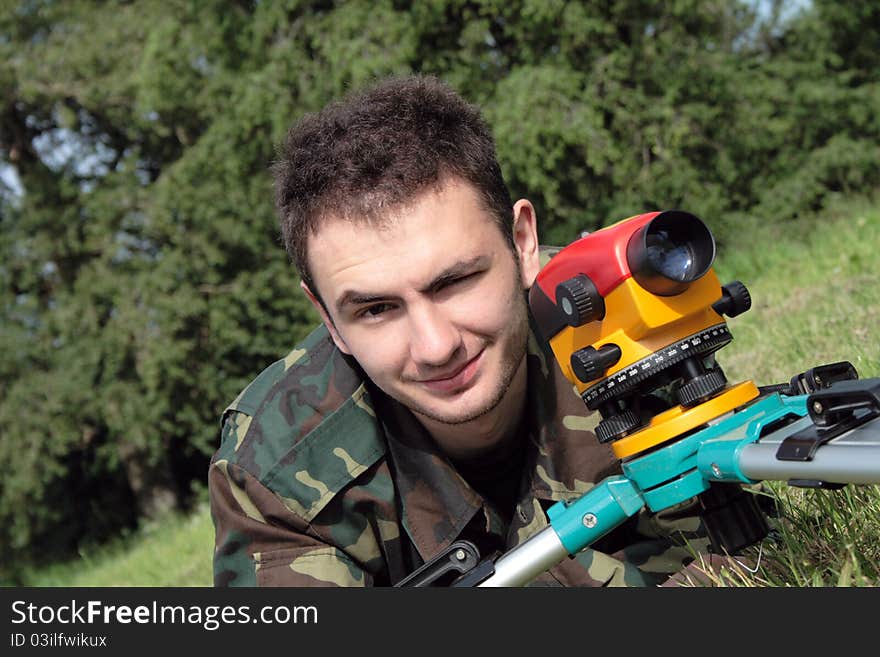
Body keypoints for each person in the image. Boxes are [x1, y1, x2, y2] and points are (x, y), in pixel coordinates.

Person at [208, 74, 714, 587]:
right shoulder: (275, 474)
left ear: (522, 244)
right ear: (327, 319)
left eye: (455, 281)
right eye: (377, 309)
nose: (435, 346)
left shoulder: (619, 322)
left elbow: (737, 558)